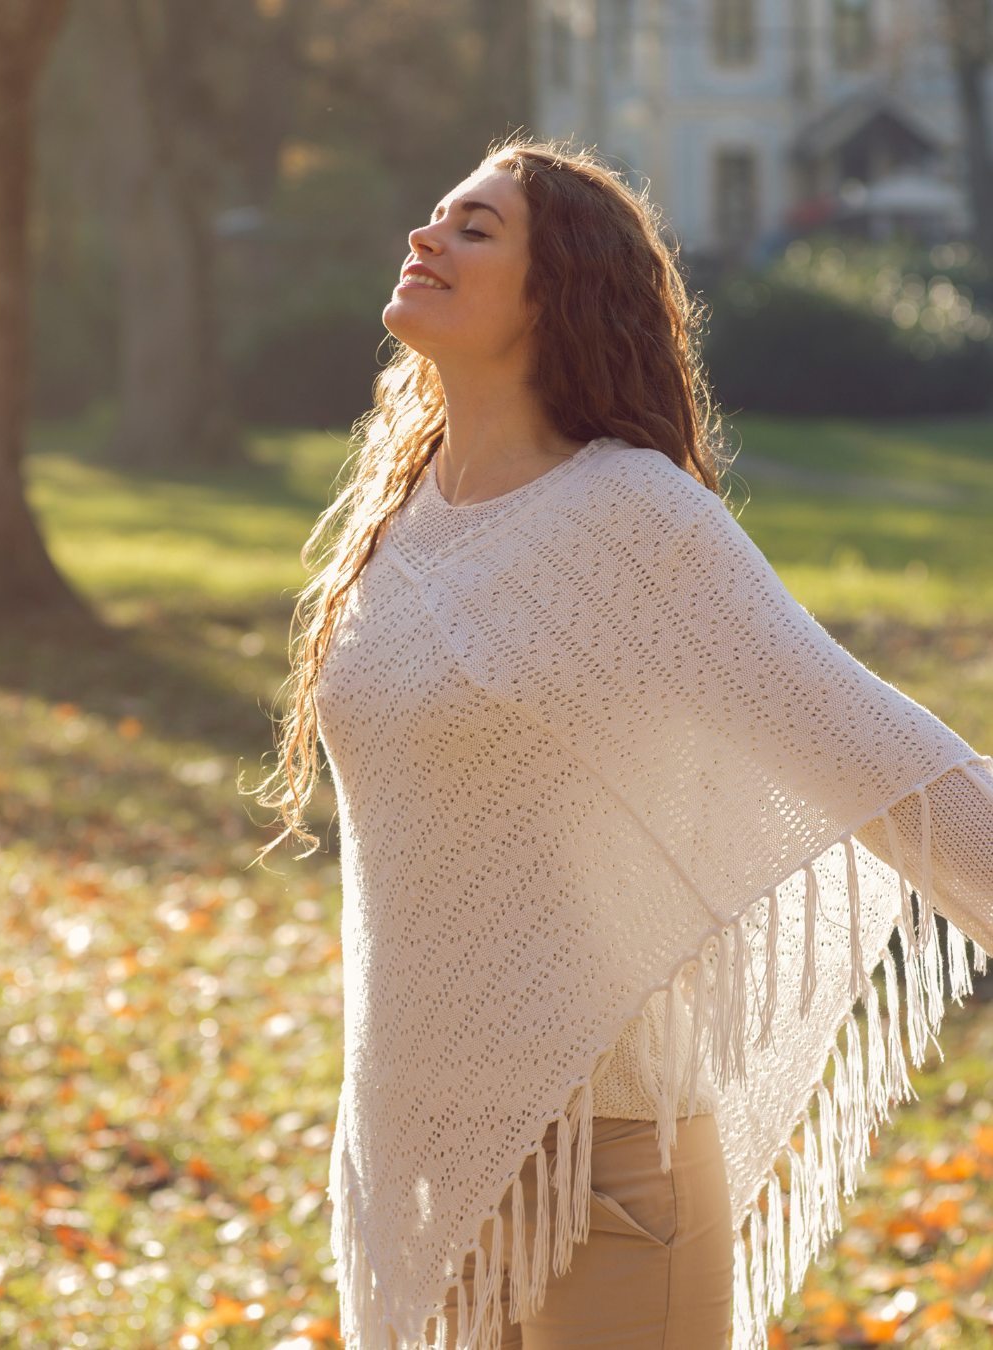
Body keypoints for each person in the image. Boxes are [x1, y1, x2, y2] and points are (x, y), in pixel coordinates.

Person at [260, 142, 993, 1350]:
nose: (425, 237)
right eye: (434, 214)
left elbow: (878, 753)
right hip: (413, 1147)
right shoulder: (397, 516)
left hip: (606, 1173)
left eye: (477, 228)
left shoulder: (636, 519)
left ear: (562, 292)